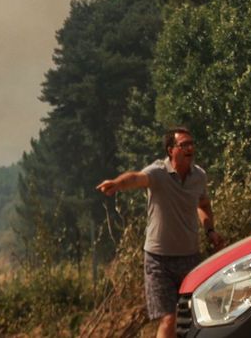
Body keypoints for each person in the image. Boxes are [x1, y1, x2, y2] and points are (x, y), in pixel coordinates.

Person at [97, 127, 227, 338]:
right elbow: (136, 178)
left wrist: (210, 230)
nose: (190, 148)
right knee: (169, 318)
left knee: (197, 316)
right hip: (159, 261)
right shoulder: (158, 173)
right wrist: (116, 184)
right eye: (183, 145)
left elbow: (203, 204)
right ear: (170, 150)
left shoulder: (199, 176)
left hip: (190, 258)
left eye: (191, 144)